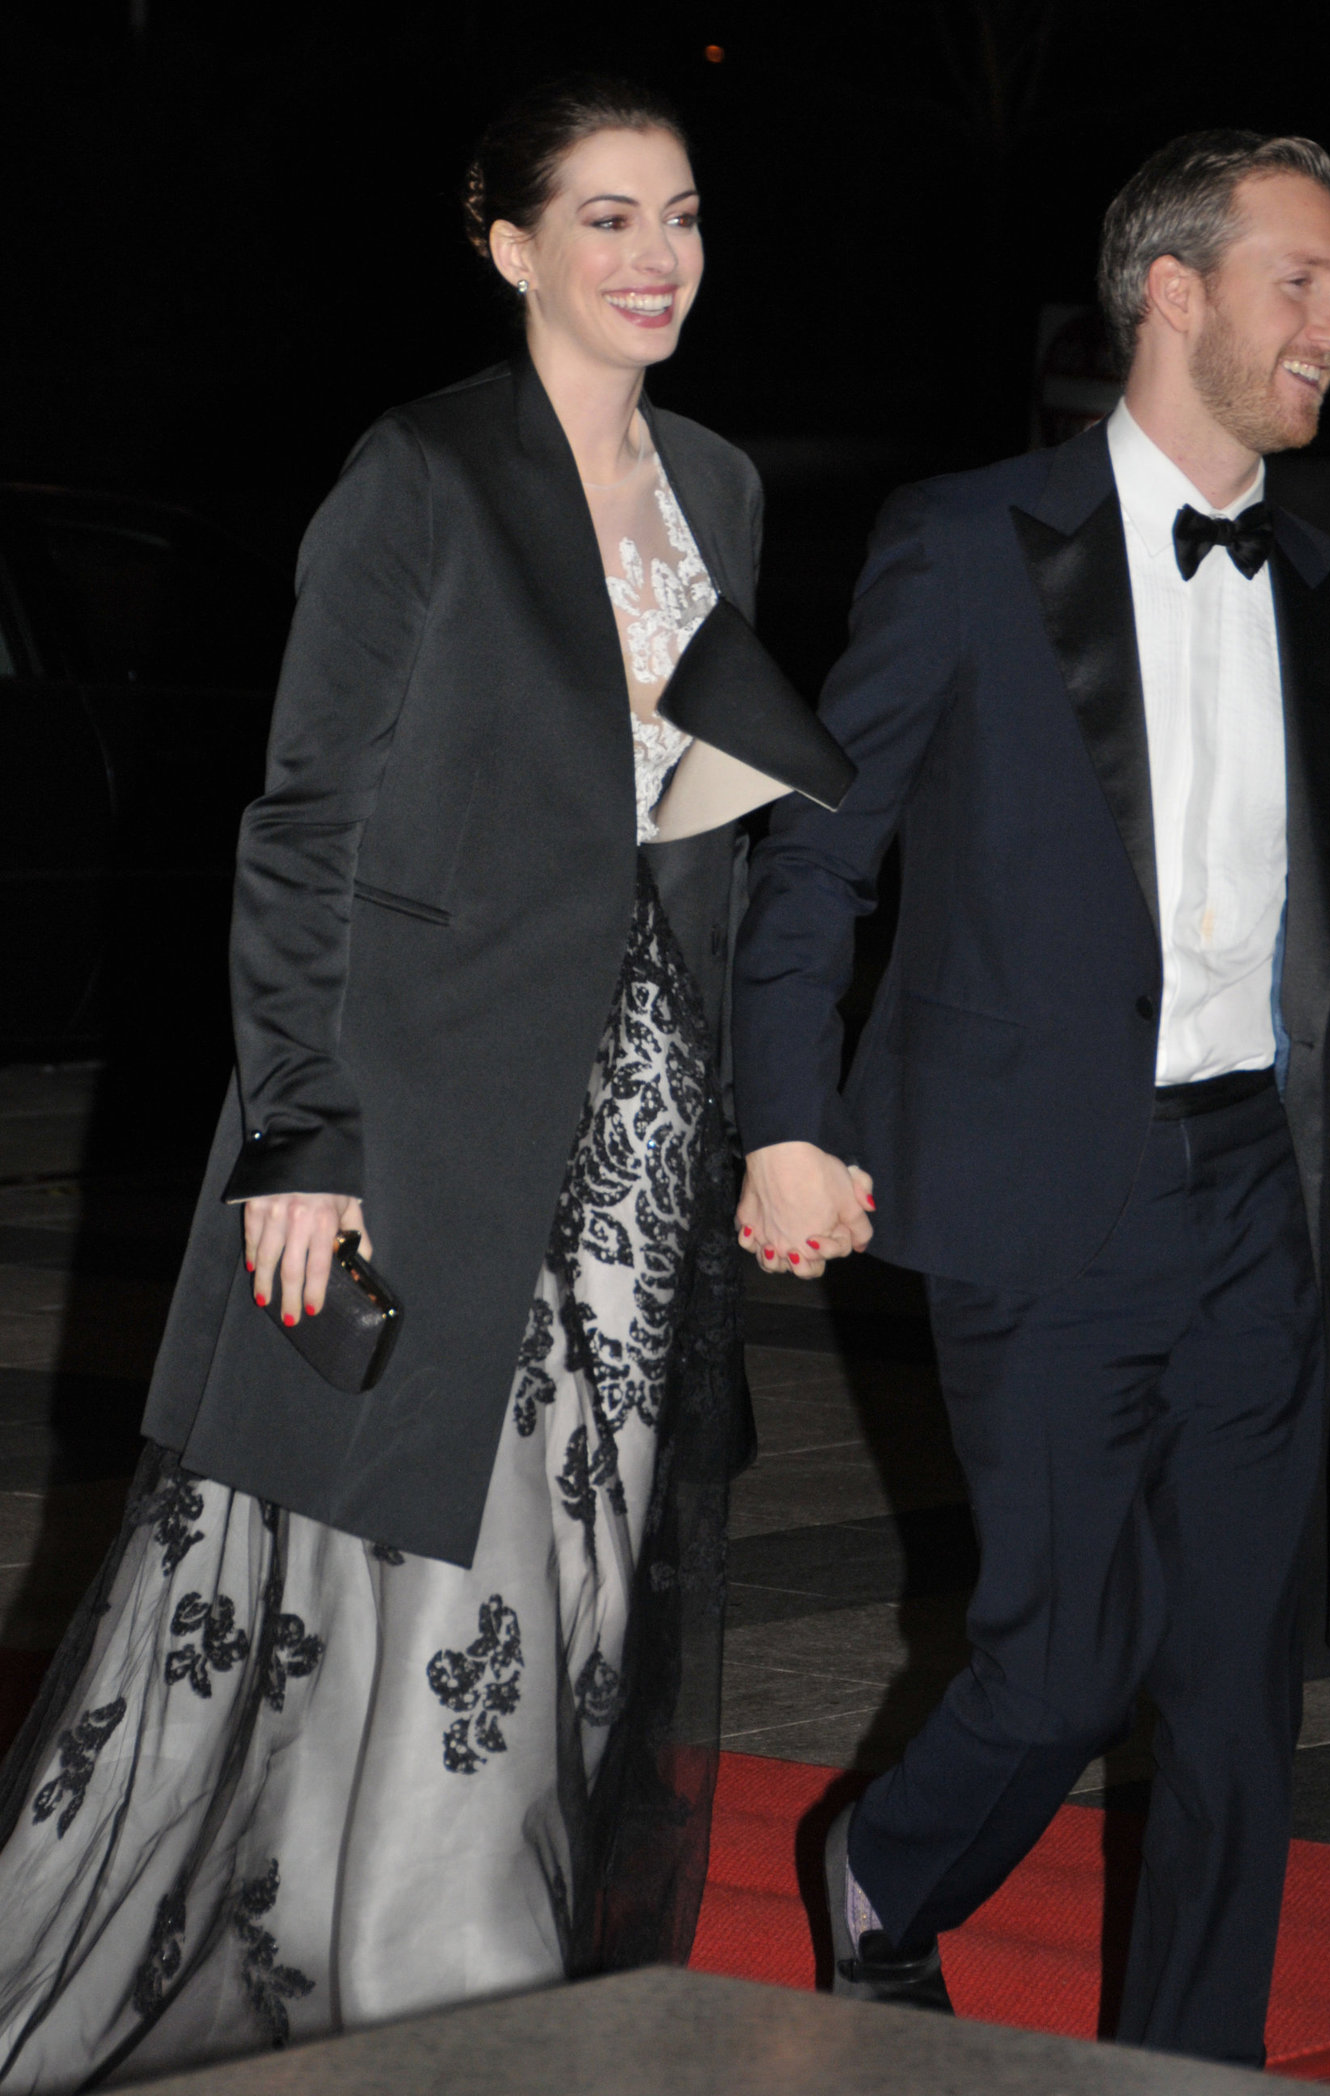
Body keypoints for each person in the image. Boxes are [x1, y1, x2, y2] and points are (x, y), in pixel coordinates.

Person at [0, 76, 847, 2090]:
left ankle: (449, 1975)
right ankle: (437, 1994)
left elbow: (699, 805)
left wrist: (766, 1091)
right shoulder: (423, 475)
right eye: (611, 219)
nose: (658, 261)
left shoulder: (715, 484)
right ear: (508, 245)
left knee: (565, 1553)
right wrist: (301, 1121)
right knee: (406, 1560)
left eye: (686, 218)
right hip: (421, 1114)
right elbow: (305, 821)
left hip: (633, 1108)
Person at [730, 131, 1330, 2066]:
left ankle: (1193, 2061)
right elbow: (821, 849)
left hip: (1257, 1192)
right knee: (1063, 1660)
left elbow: (1295, 869)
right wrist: (788, 1116)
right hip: (1039, 1190)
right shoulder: (967, 543)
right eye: (1300, 283)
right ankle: (887, 1868)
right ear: (1174, 291)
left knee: (1236, 1695)